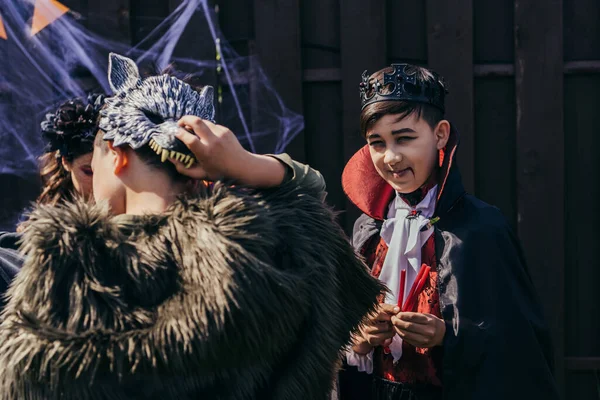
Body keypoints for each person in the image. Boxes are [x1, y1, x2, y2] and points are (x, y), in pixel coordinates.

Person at [0, 53, 383, 399]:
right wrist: (246, 165)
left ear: (115, 156)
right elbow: (308, 187)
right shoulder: (279, 246)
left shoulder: (68, 270)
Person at [337, 64, 559, 400]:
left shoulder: (481, 228)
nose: (391, 157)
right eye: (377, 143)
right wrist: (360, 334)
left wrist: (447, 335)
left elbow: (518, 345)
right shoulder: (368, 230)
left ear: (440, 134)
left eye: (405, 138)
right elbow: (335, 329)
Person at [0, 94, 104, 250]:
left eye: (107, 171)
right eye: (88, 172)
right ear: (66, 162)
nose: (99, 183)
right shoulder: (40, 234)